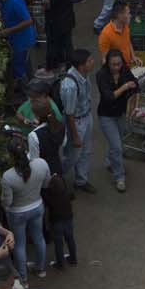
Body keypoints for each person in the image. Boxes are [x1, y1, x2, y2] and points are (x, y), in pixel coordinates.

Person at [1, 137, 52, 282]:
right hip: (37, 207)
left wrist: (4, 203)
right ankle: (40, 269)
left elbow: (8, 202)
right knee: (39, 238)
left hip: (17, 213)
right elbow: (46, 184)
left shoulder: (8, 177)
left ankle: (23, 279)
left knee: (19, 245)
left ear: (10, 155)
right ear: (26, 149)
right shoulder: (41, 164)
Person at [95, 47, 138, 193]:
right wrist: (125, 86)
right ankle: (119, 177)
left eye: (119, 64)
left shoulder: (124, 70)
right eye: (113, 64)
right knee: (117, 147)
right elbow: (109, 97)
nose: (117, 67)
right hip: (106, 115)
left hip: (120, 113)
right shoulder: (101, 75)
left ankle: (109, 161)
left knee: (117, 141)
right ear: (107, 64)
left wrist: (132, 106)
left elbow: (135, 85)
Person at [59, 50, 97, 195]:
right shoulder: (70, 86)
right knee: (73, 156)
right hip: (77, 122)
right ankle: (57, 176)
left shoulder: (84, 75)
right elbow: (69, 114)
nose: (93, 62)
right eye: (90, 61)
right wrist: (75, 136)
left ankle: (81, 181)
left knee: (86, 152)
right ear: (82, 66)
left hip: (86, 117)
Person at [0, 0, 37, 87]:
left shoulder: (16, 1)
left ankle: (27, 92)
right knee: (25, 64)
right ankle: (32, 84)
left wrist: (9, 30)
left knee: (19, 66)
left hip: (23, 39)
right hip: (14, 38)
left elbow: (28, 21)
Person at [23, 85, 66, 179]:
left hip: (43, 173)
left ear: (36, 114)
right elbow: (62, 143)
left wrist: (26, 154)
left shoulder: (34, 135)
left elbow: (35, 160)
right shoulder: (60, 125)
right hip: (56, 166)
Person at [42, 0, 76, 69]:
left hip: (56, 22)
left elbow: (47, 4)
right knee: (67, 44)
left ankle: (52, 66)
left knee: (53, 45)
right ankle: (69, 65)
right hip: (67, 20)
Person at [43, 171, 77, 270]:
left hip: (56, 222)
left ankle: (60, 264)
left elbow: (43, 194)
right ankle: (73, 259)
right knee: (70, 239)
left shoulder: (49, 197)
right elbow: (73, 195)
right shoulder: (67, 193)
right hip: (68, 219)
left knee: (58, 243)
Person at [97, 1, 140, 68]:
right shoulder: (105, 35)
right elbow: (104, 60)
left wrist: (133, 57)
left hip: (127, 66)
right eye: (128, 13)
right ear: (119, 15)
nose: (130, 16)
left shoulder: (125, 26)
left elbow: (128, 42)